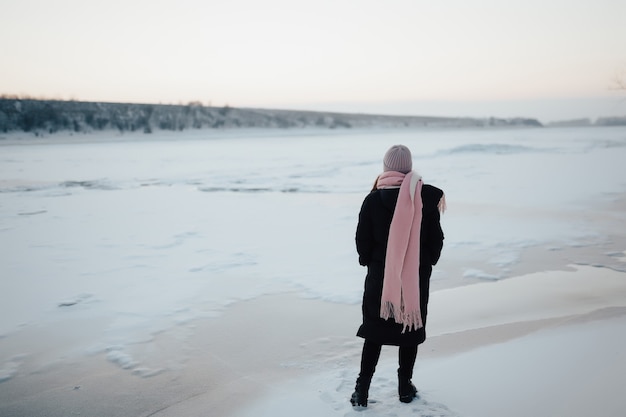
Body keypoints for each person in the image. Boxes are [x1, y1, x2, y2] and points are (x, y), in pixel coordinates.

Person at [351, 144, 445, 407]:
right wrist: (424, 264)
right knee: (409, 328)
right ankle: (405, 388)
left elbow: (362, 240)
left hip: (381, 279)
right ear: (409, 167)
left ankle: (362, 390)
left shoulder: (373, 199)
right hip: (414, 279)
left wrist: (370, 263)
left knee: (375, 332)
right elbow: (435, 240)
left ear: (386, 167)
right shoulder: (424, 197)